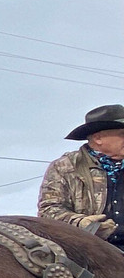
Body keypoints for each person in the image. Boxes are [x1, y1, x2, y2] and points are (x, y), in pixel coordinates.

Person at [39, 104, 124, 249]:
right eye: (122, 134)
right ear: (98, 138)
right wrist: (81, 223)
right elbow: (48, 211)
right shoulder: (66, 167)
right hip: (87, 252)